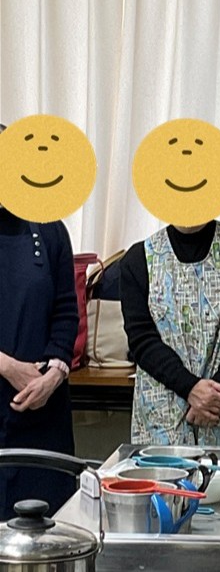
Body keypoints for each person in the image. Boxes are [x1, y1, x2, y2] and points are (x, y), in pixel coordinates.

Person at [121, 219, 220, 447]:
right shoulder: (137, 260)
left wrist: (216, 394)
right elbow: (141, 340)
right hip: (164, 422)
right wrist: (190, 388)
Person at [0, 121, 78, 518]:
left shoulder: (48, 227)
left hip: (43, 411)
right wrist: (7, 366)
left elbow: (66, 311)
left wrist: (54, 373)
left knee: (51, 531)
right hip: (10, 386)